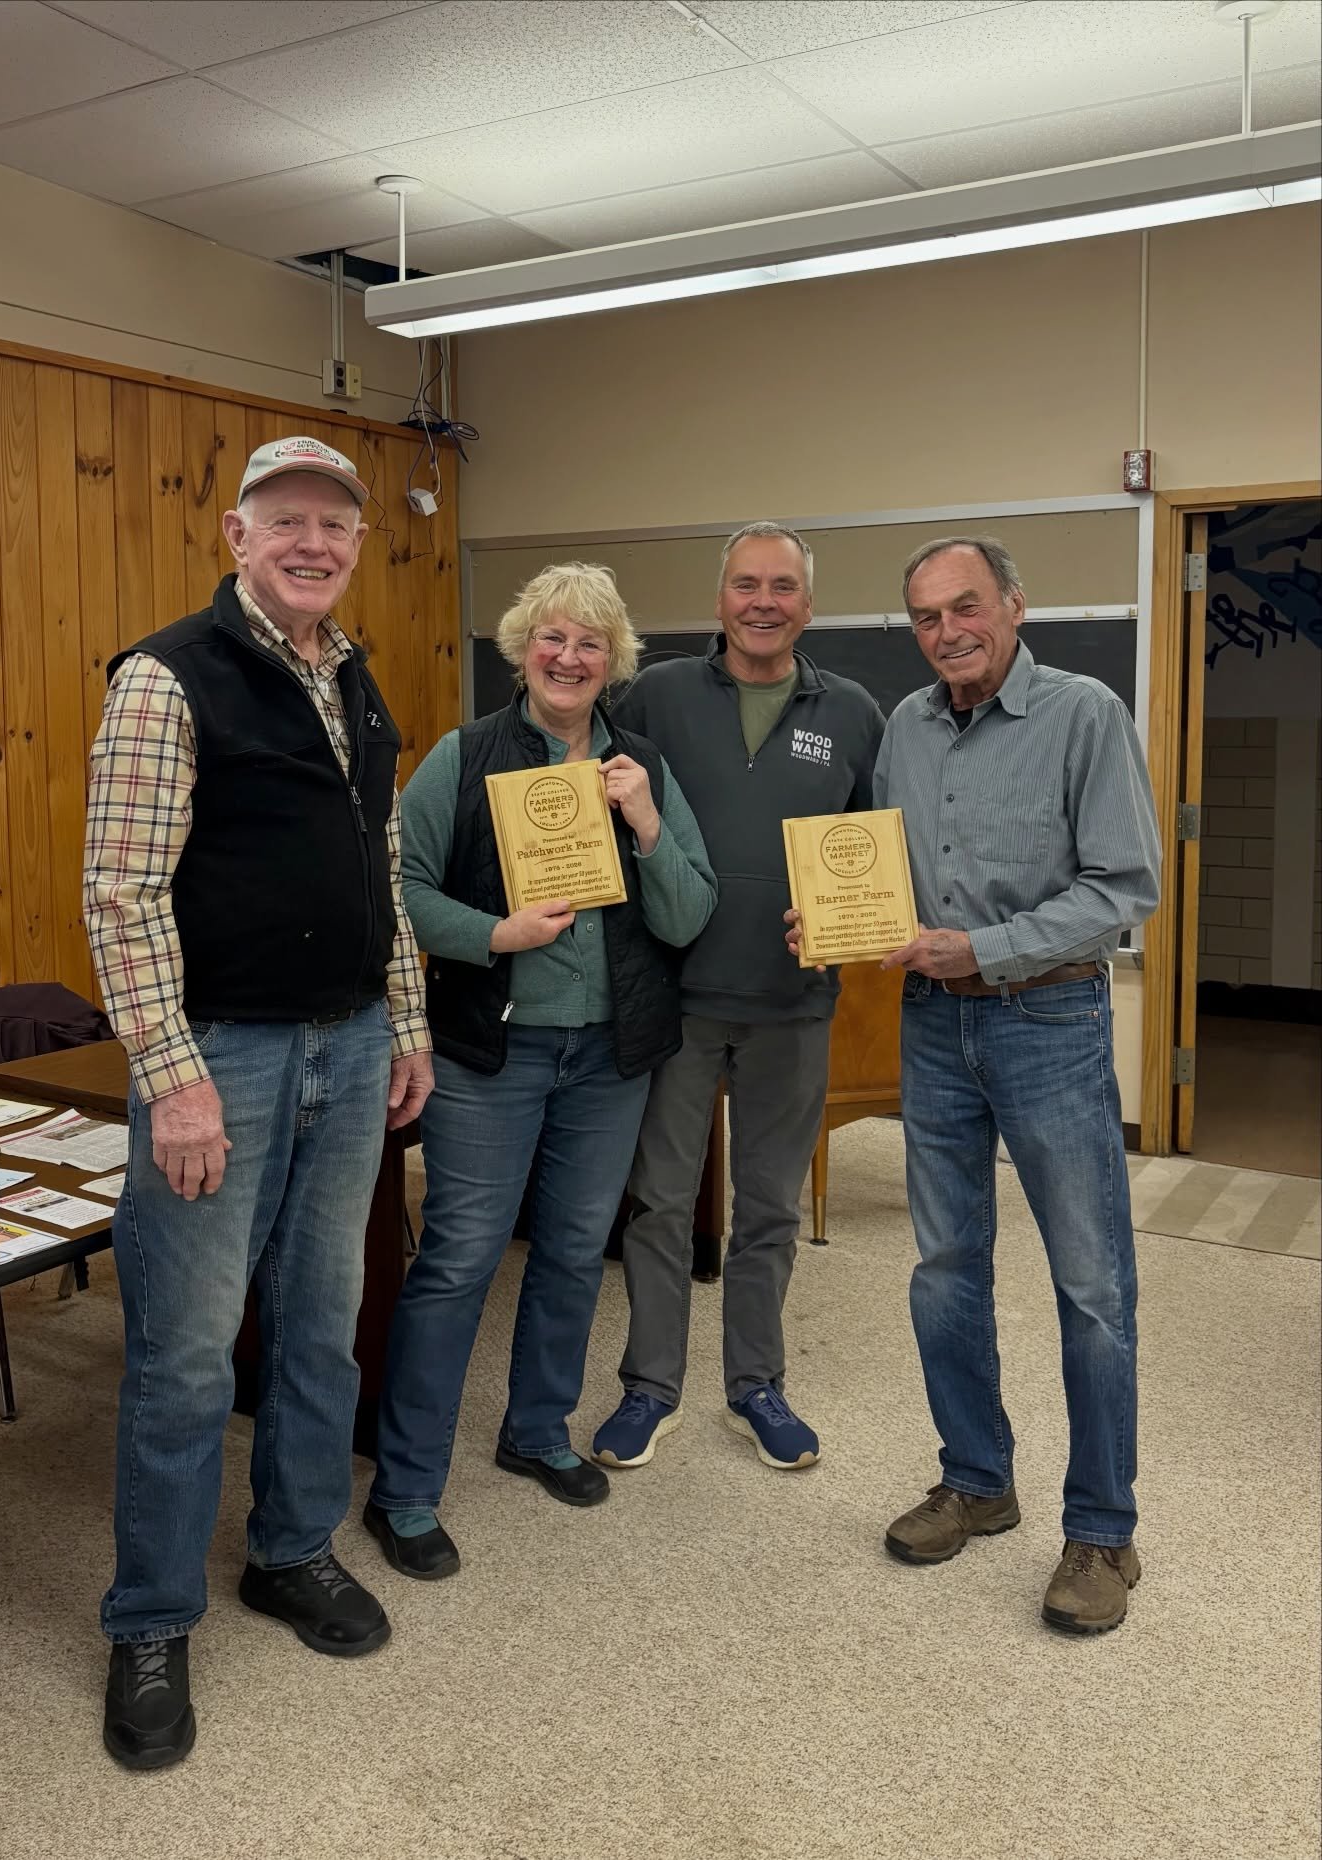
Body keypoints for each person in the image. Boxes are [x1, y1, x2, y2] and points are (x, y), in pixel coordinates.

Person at [83, 436, 433, 1769]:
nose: (313, 543)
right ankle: (152, 1619)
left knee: (321, 1327)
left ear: (355, 547)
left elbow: (385, 868)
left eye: (334, 528)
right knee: (183, 1357)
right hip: (219, 1057)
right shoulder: (169, 676)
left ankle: (290, 1550)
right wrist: (172, 1086)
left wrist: (403, 1019)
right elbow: (121, 895)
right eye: (285, 521)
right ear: (237, 532)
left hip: (349, 1053)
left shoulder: (359, 681)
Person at [363, 564, 716, 1580]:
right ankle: (408, 1487)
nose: (570, 658)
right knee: (462, 1258)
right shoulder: (464, 757)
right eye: (553, 639)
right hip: (495, 1050)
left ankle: (537, 1429)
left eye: (591, 644)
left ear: (614, 663)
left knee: (569, 1250)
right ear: (523, 649)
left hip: (609, 1057)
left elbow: (687, 915)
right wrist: (492, 932)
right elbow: (399, 893)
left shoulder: (640, 761)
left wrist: (646, 821)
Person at [868, 534, 1159, 1634]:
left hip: (1048, 1019)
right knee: (946, 1267)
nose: (949, 631)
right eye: (928, 617)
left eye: (965, 606)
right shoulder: (905, 725)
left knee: (1090, 1285)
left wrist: (981, 951)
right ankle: (978, 1481)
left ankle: (1102, 1533)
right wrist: (840, 920)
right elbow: (884, 870)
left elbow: (1125, 888)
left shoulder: (1083, 714)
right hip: (932, 1027)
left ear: (1013, 606)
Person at [591, 521, 885, 1474]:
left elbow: (876, 850)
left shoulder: (853, 712)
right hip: (674, 999)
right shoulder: (654, 695)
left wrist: (851, 924)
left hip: (792, 1001)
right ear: (719, 600)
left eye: (784, 587)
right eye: (747, 585)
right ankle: (649, 1386)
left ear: (810, 604)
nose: (765, 602)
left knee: (766, 1208)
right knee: (661, 1203)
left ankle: (756, 1384)